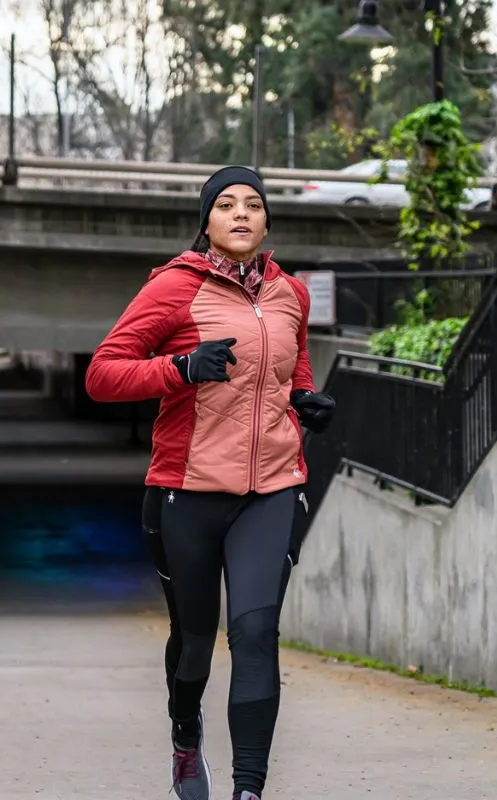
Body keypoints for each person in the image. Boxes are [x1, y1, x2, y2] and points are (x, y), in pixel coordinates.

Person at [84, 166, 336, 800]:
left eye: (253, 204)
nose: (242, 214)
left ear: (267, 220)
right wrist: (180, 368)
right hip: (188, 491)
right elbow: (103, 374)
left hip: (272, 487)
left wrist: (305, 397)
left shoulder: (291, 294)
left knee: (255, 634)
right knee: (195, 643)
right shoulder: (173, 289)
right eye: (226, 205)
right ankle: (184, 736)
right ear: (207, 221)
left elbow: (292, 362)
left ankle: (249, 789)